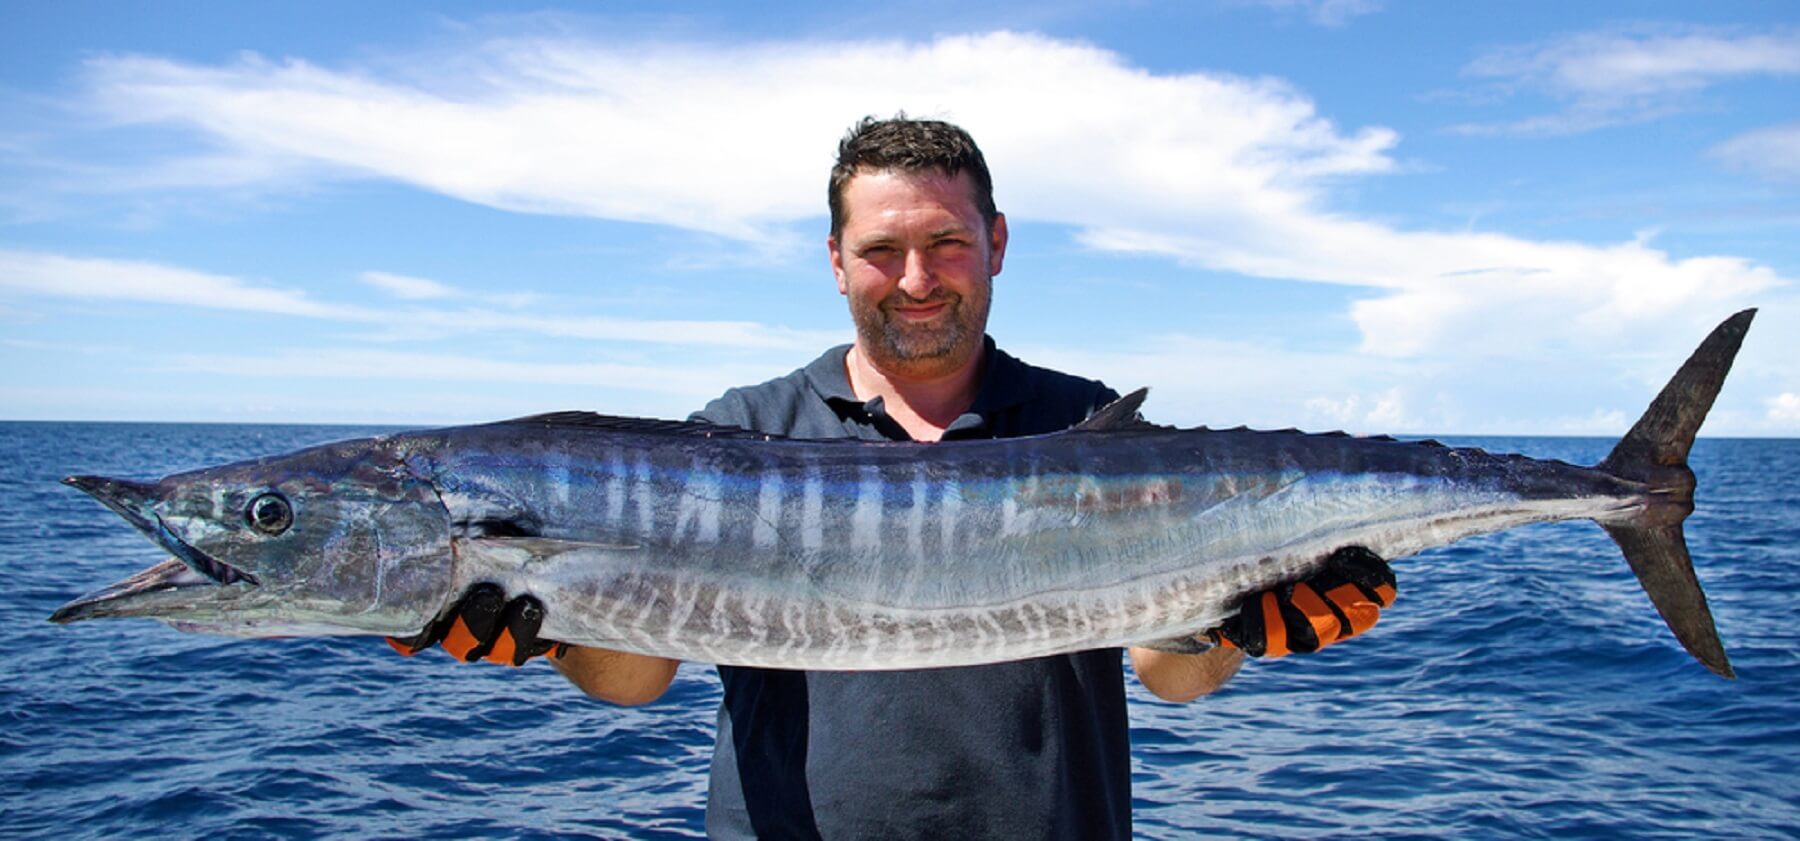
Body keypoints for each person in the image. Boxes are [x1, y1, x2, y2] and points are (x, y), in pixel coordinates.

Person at [392, 116, 1396, 839]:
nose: (916, 279)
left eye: (946, 242)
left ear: (995, 243)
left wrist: (1243, 632)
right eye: (882, 250)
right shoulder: (740, 432)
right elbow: (638, 677)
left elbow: (1170, 673)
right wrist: (550, 628)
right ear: (836, 261)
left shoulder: (1083, 425)